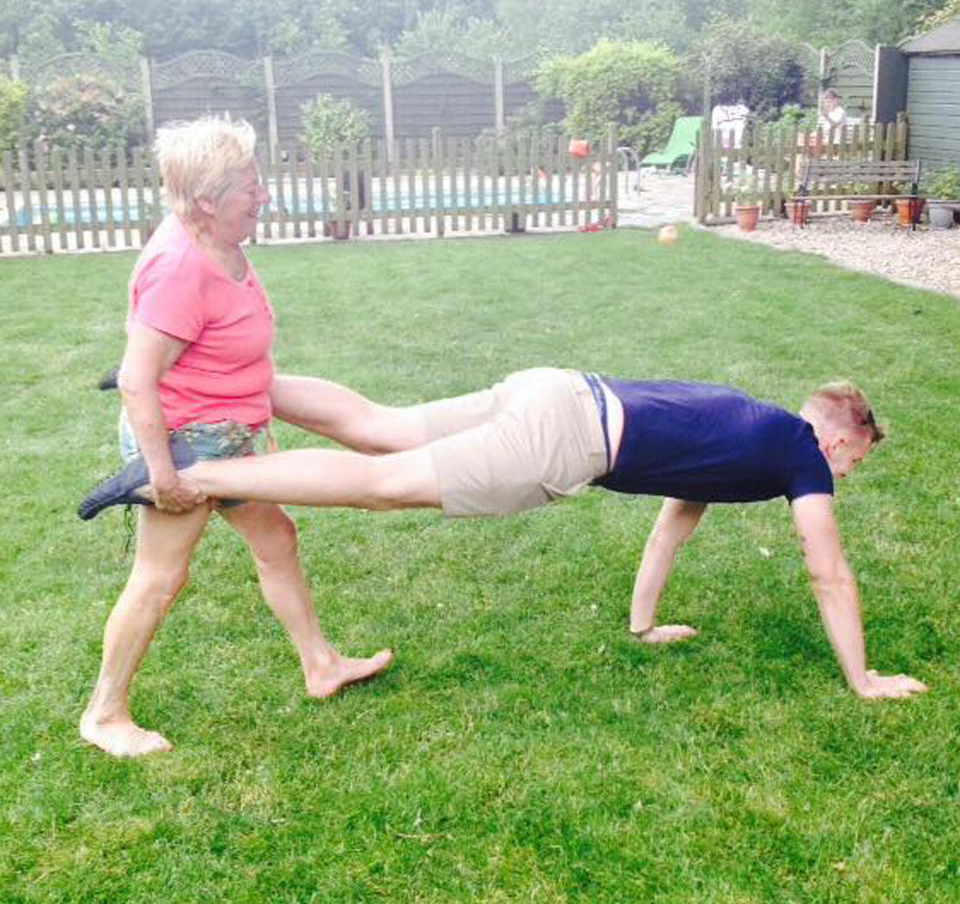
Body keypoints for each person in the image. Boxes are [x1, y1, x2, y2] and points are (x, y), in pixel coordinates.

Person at [81, 368, 928, 702]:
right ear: (840, 438)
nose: (846, 475)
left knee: (382, 425)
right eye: (854, 459)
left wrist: (642, 623)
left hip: (557, 389)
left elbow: (676, 519)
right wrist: (864, 677)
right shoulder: (800, 457)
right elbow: (830, 572)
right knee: (382, 486)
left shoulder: (751, 432)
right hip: (566, 440)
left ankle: (209, 379)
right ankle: (185, 477)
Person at [80, 117, 391, 760]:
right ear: (205, 201)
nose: (264, 196)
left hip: (228, 436)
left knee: (277, 538)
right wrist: (164, 476)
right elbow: (138, 380)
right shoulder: (178, 265)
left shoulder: (217, 240)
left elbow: (222, 355)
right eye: (249, 188)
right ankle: (105, 713)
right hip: (186, 446)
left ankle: (321, 664)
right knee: (161, 575)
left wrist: (252, 423)